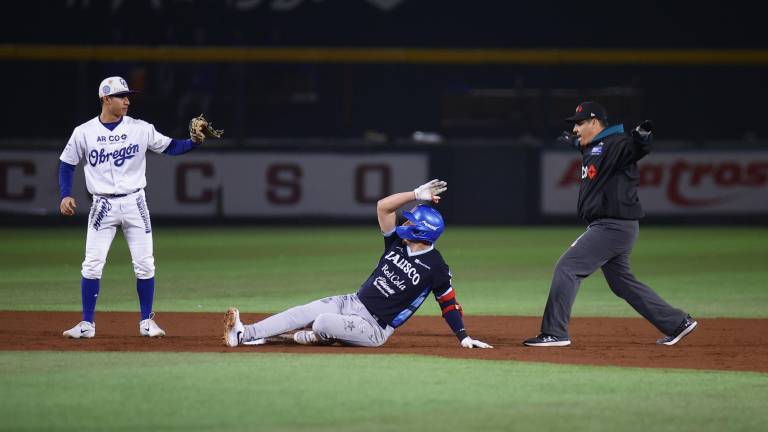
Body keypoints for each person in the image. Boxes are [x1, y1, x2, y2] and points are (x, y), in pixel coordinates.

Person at [223, 179, 493, 350]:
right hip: (352, 301)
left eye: (411, 222)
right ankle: (245, 334)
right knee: (303, 311)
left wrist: (464, 337)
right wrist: (415, 193)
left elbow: (449, 304)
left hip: (374, 328)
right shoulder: (396, 243)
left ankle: (297, 337)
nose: (405, 222)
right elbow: (383, 207)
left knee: (322, 323)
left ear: (422, 233)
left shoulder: (436, 267)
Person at [523, 101, 697, 347]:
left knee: (567, 267)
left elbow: (635, 149)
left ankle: (555, 333)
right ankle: (677, 322)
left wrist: (642, 137)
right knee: (621, 283)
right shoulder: (593, 146)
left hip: (611, 226)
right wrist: (572, 141)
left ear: (595, 122)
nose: (575, 129)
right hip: (617, 227)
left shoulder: (617, 144)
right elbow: (587, 147)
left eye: (579, 123)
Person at [60, 76, 216, 339]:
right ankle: (87, 324)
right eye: (121, 96)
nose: (127, 100)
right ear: (105, 99)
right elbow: (67, 163)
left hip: (135, 202)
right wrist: (65, 194)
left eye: (127, 95)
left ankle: (146, 321)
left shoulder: (140, 128)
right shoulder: (84, 132)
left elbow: (171, 147)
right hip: (102, 205)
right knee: (92, 265)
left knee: (145, 264)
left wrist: (194, 143)